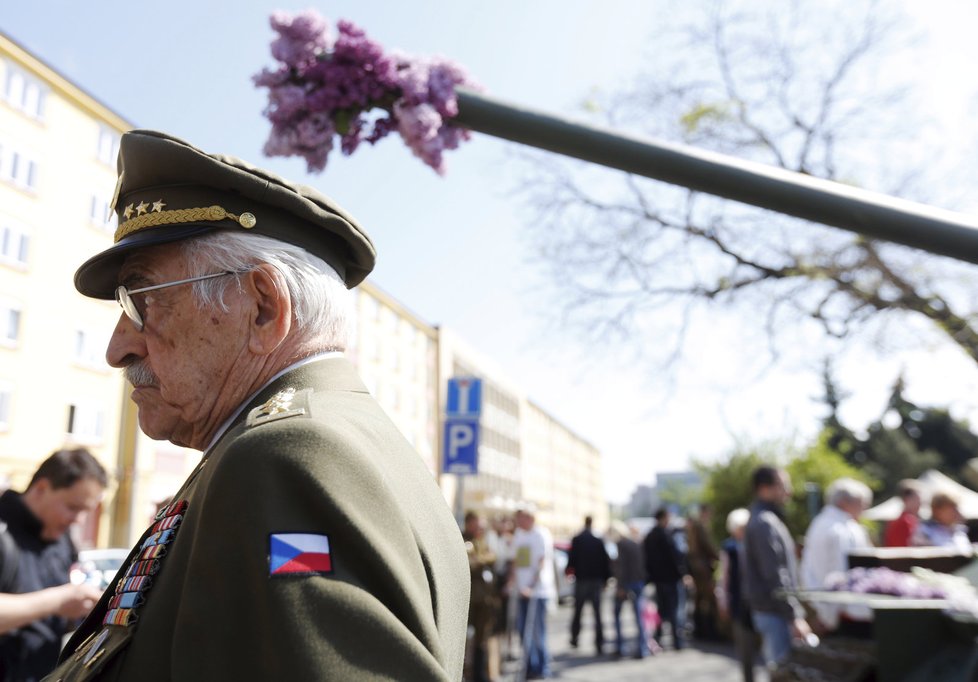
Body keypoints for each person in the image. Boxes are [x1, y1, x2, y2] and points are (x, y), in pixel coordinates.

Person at [47, 130, 469, 681]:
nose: (117, 348)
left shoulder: (286, 455)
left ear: (264, 309)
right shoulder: (333, 440)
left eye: (144, 301)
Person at [0, 448, 106, 681]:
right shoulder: (3, 532)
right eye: (72, 507)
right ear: (41, 489)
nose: (78, 520)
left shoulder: (62, 541)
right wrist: (58, 601)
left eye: (85, 512)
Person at [742, 466, 811, 670]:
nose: (788, 491)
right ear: (764, 489)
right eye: (783, 486)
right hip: (775, 612)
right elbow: (775, 575)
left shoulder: (763, 519)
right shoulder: (764, 523)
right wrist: (794, 616)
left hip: (772, 611)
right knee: (783, 671)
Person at [799, 478, 873, 631]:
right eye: (861, 503)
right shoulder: (840, 529)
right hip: (844, 612)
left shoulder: (821, 523)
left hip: (827, 607)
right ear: (844, 503)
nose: (864, 508)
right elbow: (841, 573)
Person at [510, 507, 555, 680]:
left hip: (537, 591)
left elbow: (541, 562)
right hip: (522, 590)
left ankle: (543, 667)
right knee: (523, 630)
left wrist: (531, 585)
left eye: (520, 518)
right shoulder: (519, 535)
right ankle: (530, 664)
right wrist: (512, 581)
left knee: (537, 631)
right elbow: (516, 561)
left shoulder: (540, 534)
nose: (518, 522)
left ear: (529, 518)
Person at [718, 508, 758, 682]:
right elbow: (724, 577)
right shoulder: (730, 548)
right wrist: (723, 601)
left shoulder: (756, 544)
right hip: (740, 603)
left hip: (759, 602)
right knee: (745, 648)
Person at [566, 515, 611, 655]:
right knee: (597, 613)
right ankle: (599, 641)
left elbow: (571, 559)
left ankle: (575, 637)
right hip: (595, 580)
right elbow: (605, 561)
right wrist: (606, 579)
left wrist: (569, 571)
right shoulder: (597, 540)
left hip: (582, 580)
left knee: (578, 611)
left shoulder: (578, 539)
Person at [643, 507, 686, 651]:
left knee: (662, 609)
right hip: (669, 578)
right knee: (673, 609)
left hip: (657, 579)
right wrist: (682, 574)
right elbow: (674, 557)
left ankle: (659, 638)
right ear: (663, 518)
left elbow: (647, 560)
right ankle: (676, 641)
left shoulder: (650, 536)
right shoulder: (666, 535)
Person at [463, 511, 499, 682]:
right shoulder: (463, 539)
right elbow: (470, 564)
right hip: (470, 599)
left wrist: (482, 558)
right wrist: (482, 559)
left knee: (482, 638)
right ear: (469, 523)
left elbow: (492, 556)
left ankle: (480, 675)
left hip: (485, 598)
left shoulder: (481, 541)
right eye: (477, 524)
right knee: (466, 638)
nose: (480, 528)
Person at [610, 520, 650, 659]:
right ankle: (642, 647)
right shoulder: (636, 543)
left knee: (617, 614)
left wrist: (620, 586)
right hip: (638, 582)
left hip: (627, 583)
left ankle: (620, 647)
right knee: (639, 616)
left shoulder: (621, 544)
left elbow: (621, 567)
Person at [686, 503, 721, 641]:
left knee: (699, 599)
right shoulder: (700, 526)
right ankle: (708, 632)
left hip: (697, 567)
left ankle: (700, 630)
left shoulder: (694, 526)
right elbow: (707, 546)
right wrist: (719, 556)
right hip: (702, 568)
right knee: (708, 599)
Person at [883, 479, 923, 547]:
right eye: (917, 499)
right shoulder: (905, 521)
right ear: (907, 499)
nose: (920, 503)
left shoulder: (898, 520)